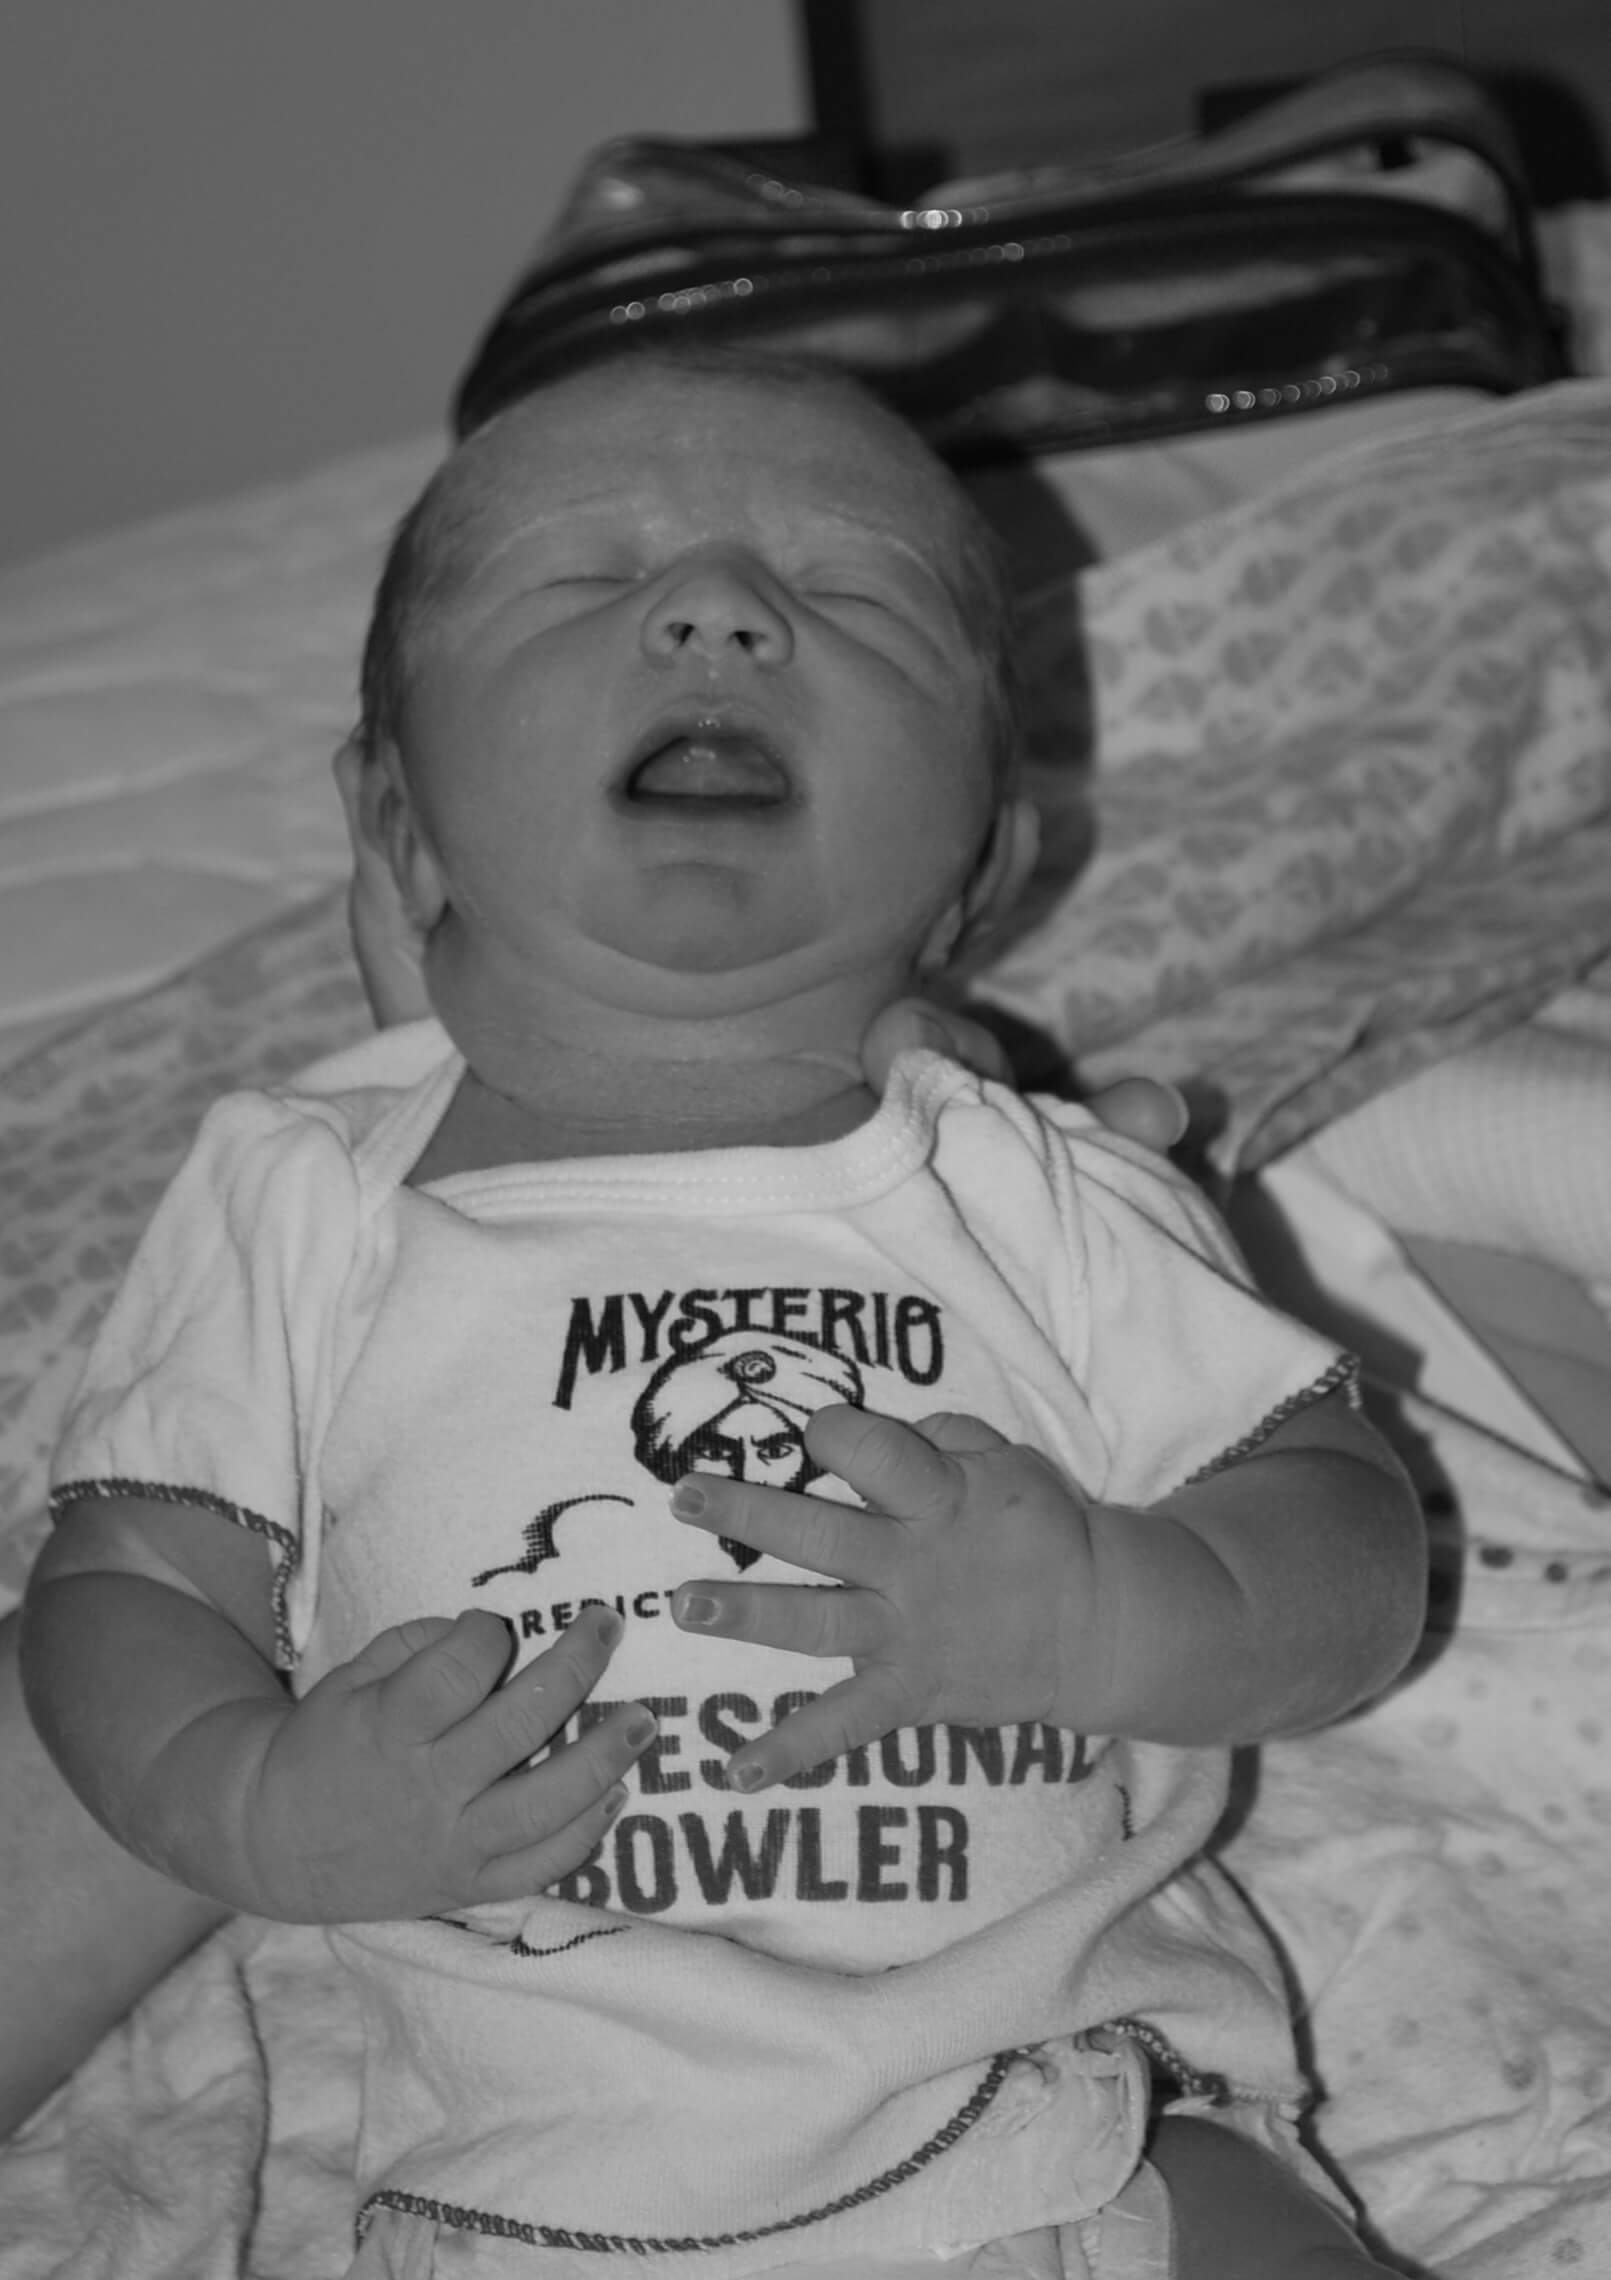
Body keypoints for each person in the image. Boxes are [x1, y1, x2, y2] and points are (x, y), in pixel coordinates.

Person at [19, 345, 1424, 2279]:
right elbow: (123, 1586)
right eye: (579, 577)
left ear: (989, 856)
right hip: (550, 2191)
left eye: (849, 592)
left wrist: (1119, 1607)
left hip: (1078, 2113)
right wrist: (247, 1801)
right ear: (398, 824)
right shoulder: (308, 1197)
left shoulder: (1040, 1184)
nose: (718, 607)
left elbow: (1346, 1534)